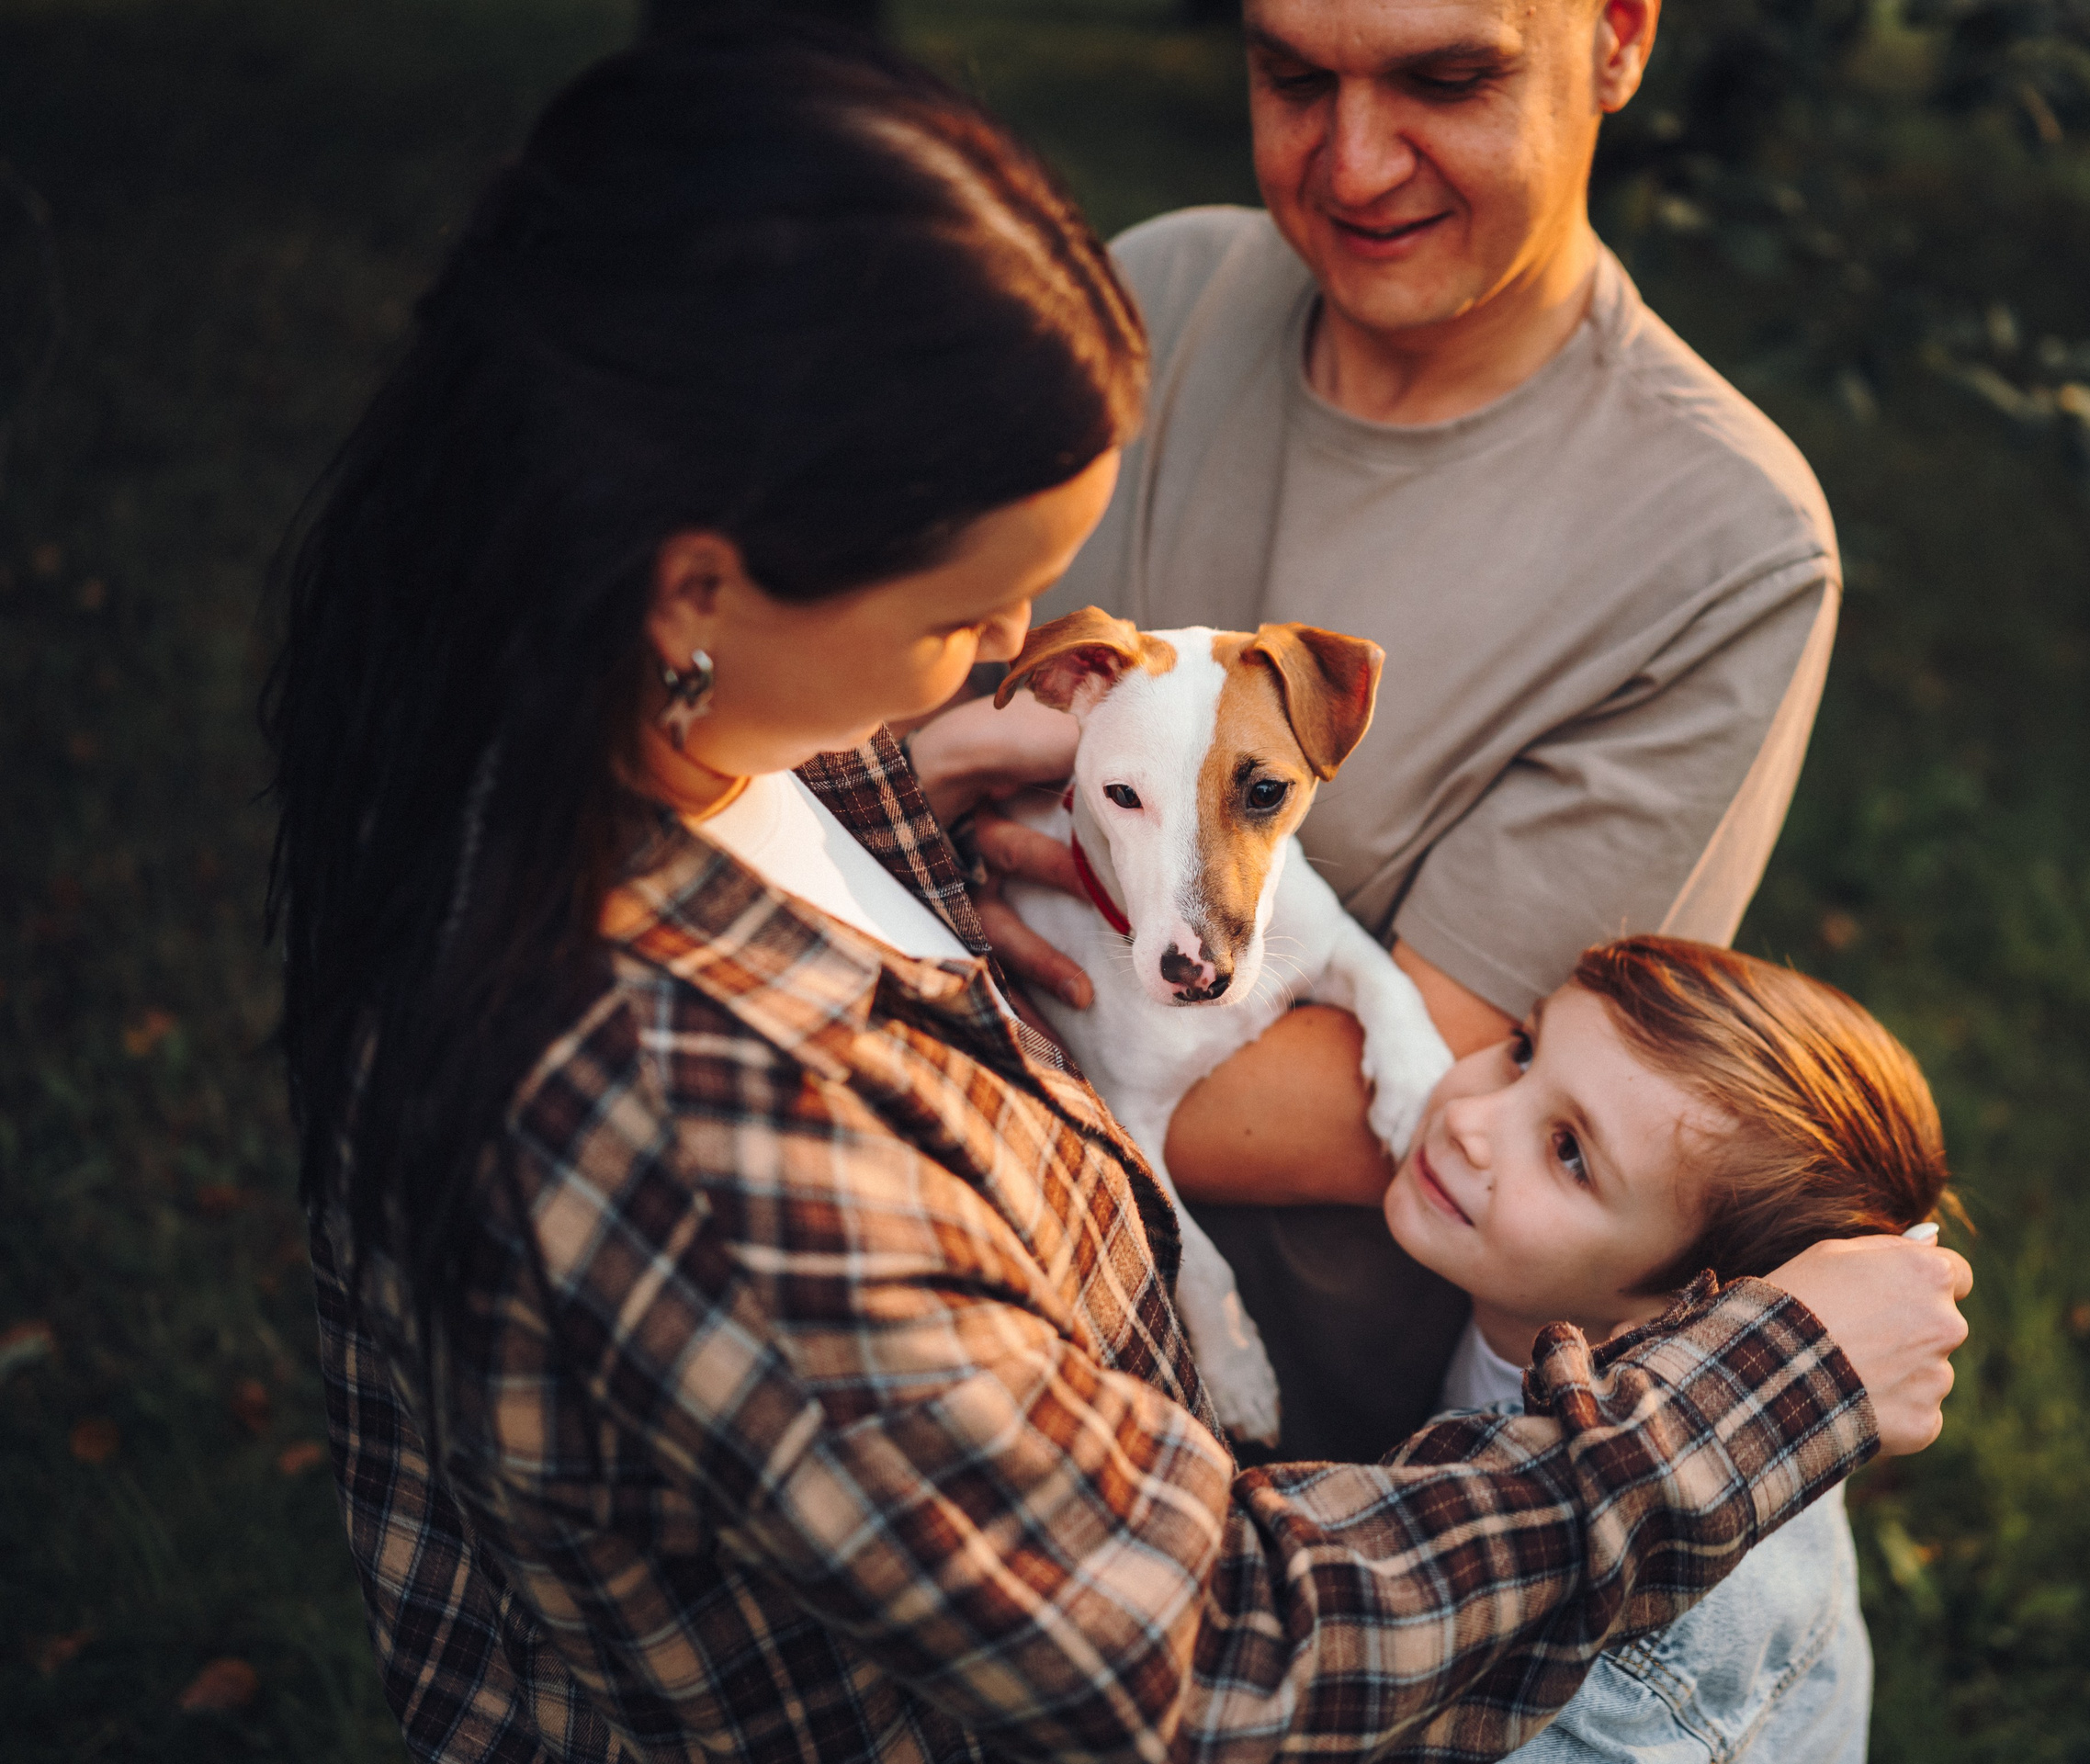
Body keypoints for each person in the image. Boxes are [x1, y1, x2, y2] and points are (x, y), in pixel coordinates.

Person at [268, 23, 1969, 1763]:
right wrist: (1767, 1401)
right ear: (698, 589)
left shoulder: (523, 761)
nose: (1013, 661)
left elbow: (817, 866)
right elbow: (1211, 1657)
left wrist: (882, 780)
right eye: (961, 609)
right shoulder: (723, 1158)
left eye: (1443, 80)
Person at [921, 0, 1848, 1461]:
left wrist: (891, 1031)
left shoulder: (1722, 547)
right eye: (1292, 76)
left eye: (1445, 76)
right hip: (932, 1337)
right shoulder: (1156, 295)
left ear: (1616, 37)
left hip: (1305, 1467)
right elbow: (875, 704)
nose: (1352, 168)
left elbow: (1429, 1107)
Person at [1386, 935, 1958, 1762]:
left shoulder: (1637, 1657)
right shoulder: (1523, 1295)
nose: (1470, 1120)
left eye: (1571, 1153)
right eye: (1522, 1052)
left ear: (1686, 1313)